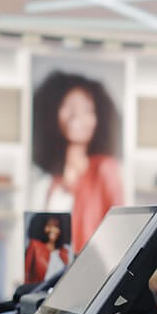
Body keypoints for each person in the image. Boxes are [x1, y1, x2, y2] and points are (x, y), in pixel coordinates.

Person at [31, 70, 124, 252]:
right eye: (68, 106)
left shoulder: (105, 170)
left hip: (92, 271)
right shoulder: (48, 182)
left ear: (98, 119)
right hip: (55, 274)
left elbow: (119, 232)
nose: (75, 116)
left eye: (86, 109)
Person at [24, 214, 70, 284]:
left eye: (56, 226)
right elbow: (26, 273)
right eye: (49, 226)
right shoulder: (35, 246)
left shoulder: (64, 251)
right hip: (39, 291)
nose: (52, 229)